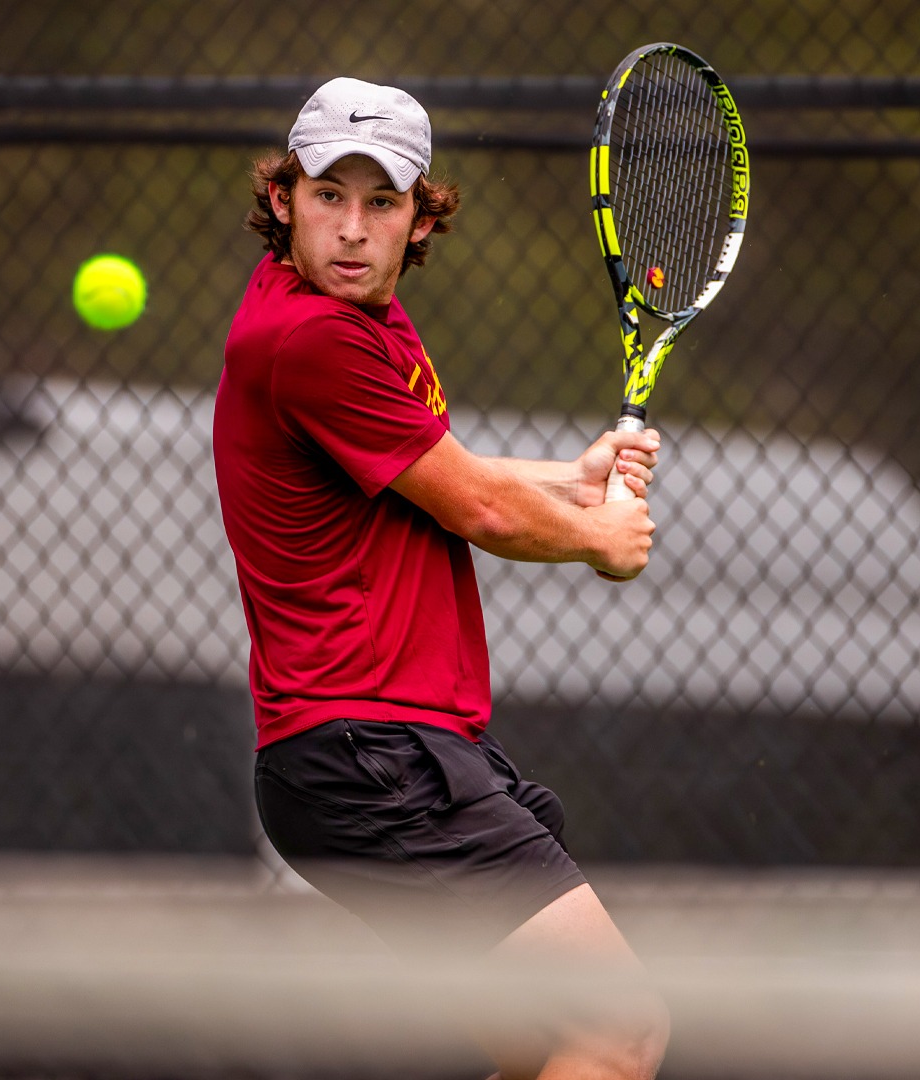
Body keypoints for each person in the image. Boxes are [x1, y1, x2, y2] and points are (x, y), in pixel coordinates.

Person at [212, 76, 669, 1080]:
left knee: (550, 1042)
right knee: (618, 1027)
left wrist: (574, 477)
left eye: (382, 202)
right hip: (368, 752)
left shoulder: (343, 317)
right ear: (283, 196)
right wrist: (600, 540)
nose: (352, 228)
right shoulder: (316, 339)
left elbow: (440, 474)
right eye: (330, 194)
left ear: (421, 219)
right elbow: (483, 512)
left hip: (366, 755)